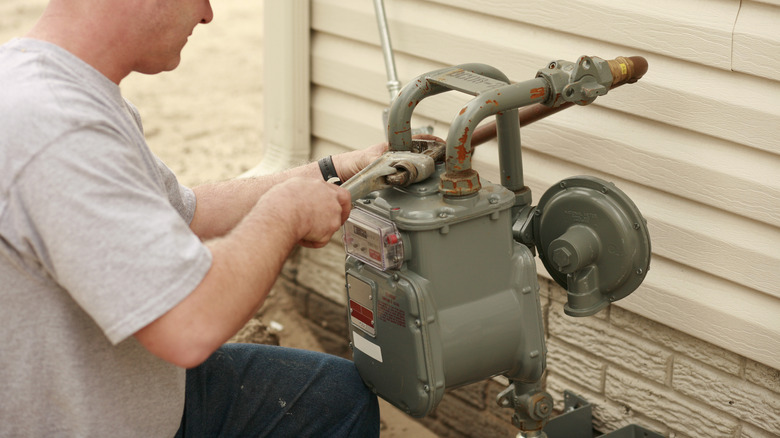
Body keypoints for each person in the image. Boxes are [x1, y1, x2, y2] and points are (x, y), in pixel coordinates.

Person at [0, 0, 384, 436]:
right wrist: (286, 215)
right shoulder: (58, 125)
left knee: (335, 397)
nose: (207, 14)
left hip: (130, 390)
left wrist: (335, 169)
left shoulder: (56, 85)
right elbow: (188, 326)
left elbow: (187, 213)